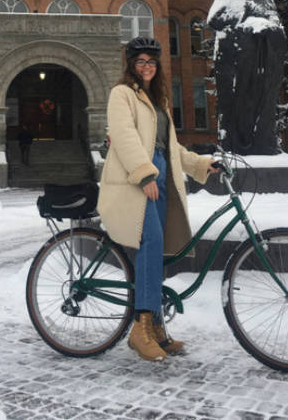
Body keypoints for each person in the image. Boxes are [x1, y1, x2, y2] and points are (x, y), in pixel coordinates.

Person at [97, 37, 218, 362]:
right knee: (151, 241)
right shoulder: (122, 94)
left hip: (161, 172)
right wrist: (144, 173)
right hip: (136, 178)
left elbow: (171, 147)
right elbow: (123, 136)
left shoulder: (159, 100)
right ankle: (140, 329)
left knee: (157, 249)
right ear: (131, 65)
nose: (146, 66)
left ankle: (157, 329)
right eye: (140, 61)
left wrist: (200, 164)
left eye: (151, 61)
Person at [207, 0, 287, 155]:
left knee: (260, 98)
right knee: (233, 100)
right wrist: (243, 21)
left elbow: (275, 20)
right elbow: (213, 20)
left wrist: (266, 26)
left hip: (260, 59)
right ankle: (232, 141)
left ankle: (263, 140)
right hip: (233, 58)